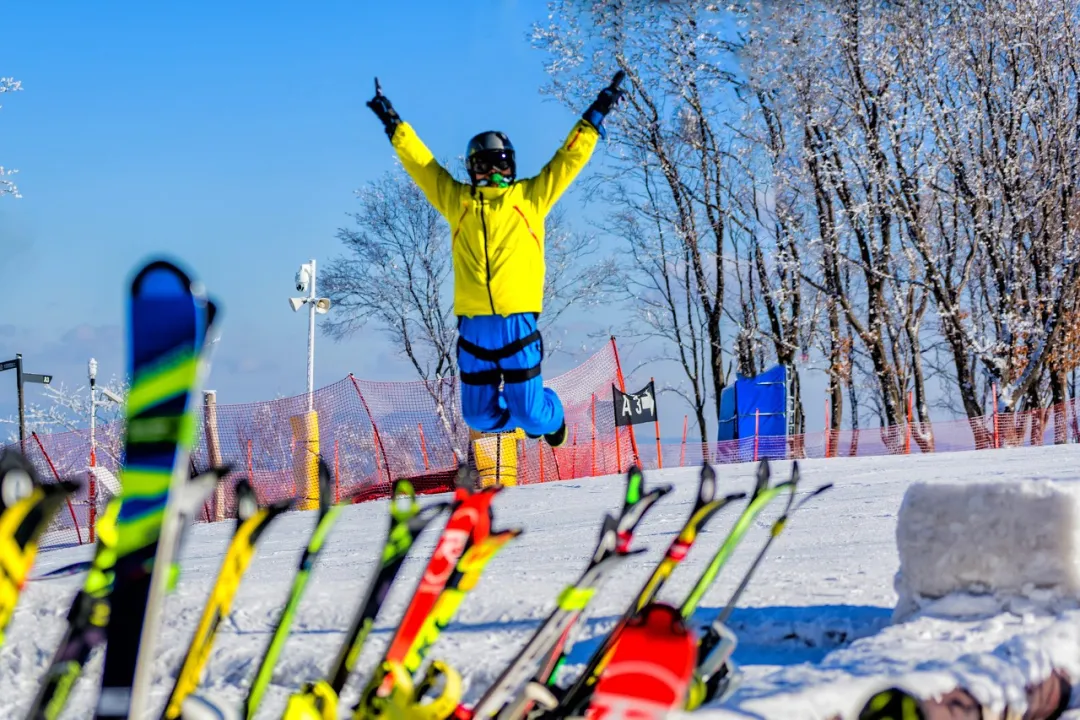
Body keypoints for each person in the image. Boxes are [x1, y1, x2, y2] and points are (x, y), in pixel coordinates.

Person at [365, 72, 625, 447]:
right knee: (478, 416)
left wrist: (598, 110)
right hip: (473, 327)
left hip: (517, 322)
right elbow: (422, 166)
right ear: (471, 170)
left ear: (512, 167)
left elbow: (569, 158)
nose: (492, 174)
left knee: (532, 415)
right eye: (483, 166)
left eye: (500, 164)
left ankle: (548, 418)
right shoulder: (458, 203)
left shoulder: (530, 198)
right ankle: (522, 420)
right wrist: (393, 123)